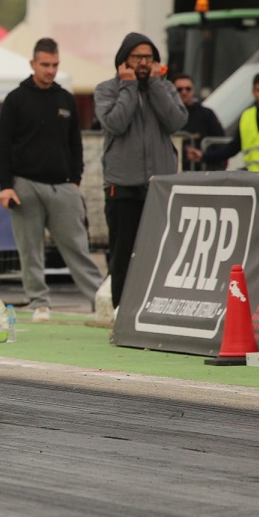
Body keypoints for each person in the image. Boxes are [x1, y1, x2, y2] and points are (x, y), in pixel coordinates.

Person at [0, 38, 104, 321]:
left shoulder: (65, 98)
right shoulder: (16, 99)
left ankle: (101, 300)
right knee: (30, 249)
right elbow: (1, 146)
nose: (50, 70)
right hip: (24, 185)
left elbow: (75, 144)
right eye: (45, 64)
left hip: (63, 186)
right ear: (33, 64)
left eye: (55, 65)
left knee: (77, 247)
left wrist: (75, 180)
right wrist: (6, 186)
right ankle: (39, 302)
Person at [95, 32, 188, 309]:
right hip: (122, 184)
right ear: (124, 61)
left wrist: (156, 85)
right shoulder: (107, 89)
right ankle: (121, 310)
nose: (144, 63)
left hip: (160, 185)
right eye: (137, 57)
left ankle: (156, 309)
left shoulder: (165, 88)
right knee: (122, 254)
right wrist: (128, 87)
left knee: (161, 252)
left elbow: (176, 121)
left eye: (149, 57)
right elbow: (115, 123)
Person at [173, 73, 225, 171]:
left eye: (188, 89)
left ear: (193, 90)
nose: (184, 92)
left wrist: (203, 154)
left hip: (202, 169)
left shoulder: (207, 114)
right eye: (179, 89)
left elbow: (220, 140)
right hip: (174, 169)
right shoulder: (167, 114)